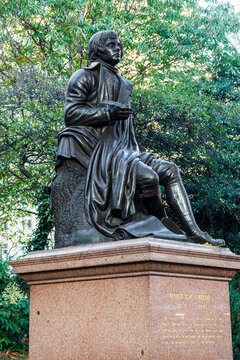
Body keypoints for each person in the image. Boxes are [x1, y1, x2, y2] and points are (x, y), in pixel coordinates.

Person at [55, 30, 224, 246]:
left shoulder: (124, 83)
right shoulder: (85, 76)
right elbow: (70, 114)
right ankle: (159, 224)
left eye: (119, 45)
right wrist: (107, 113)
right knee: (149, 178)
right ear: (98, 49)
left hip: (124, 151)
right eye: (111, 45)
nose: (117, 48)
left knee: (170, 169)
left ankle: (194, 232)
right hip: (100, 151)